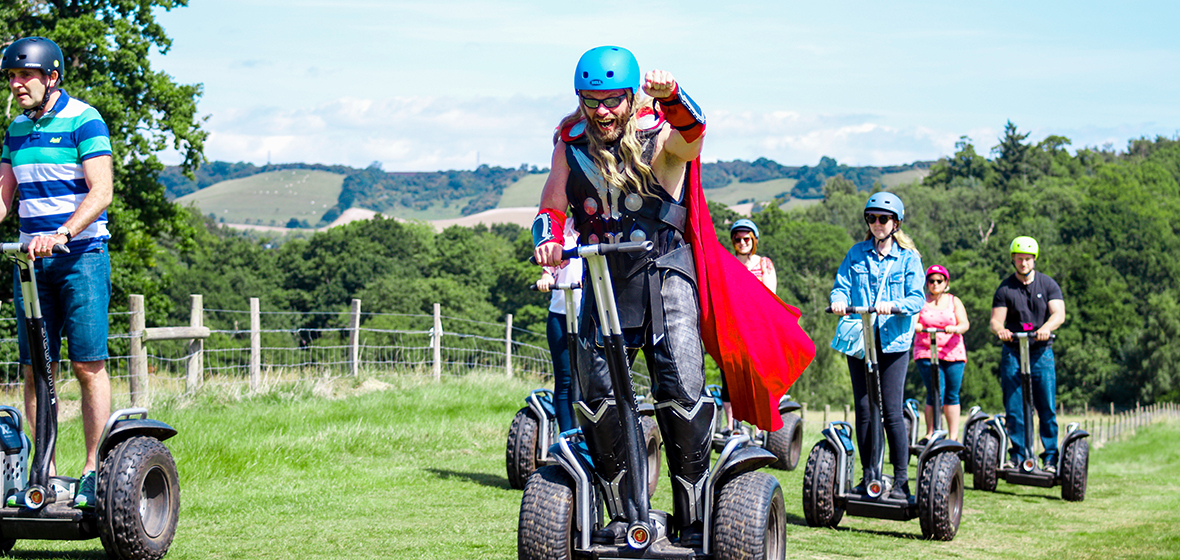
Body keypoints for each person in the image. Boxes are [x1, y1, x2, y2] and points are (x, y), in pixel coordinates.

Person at [533, 45, 713, 546]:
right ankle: (625, 517)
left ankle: (693, 518)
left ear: (632, 97)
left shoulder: (659, 134)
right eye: (592, 101)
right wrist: (546, 239)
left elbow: (695, 139)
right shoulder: (571, 143)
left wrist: (674, 95)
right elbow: (550, 207)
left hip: (663, 273)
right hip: (602, 277)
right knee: (597, 400)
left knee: (680, 392)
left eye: (614, 100)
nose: (603, 111)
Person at [0, 36, 114, 509]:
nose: (16, 84)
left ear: (51, 77)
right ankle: (42, 469)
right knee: (34, 370)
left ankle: (92, 469)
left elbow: (102, 190)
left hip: (81, 257)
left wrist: (64, 231)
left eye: (25, 75)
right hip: (31, 264)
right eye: (11, 76)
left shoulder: (85, 120)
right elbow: (5, 194)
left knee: (87, 366)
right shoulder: (15, 129)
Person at [829, 192, 924, 499]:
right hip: (862, 339)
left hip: (893, 341)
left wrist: (893, 305)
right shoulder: (856, 253)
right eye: (872, 218)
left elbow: (917, 298)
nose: (877, 223)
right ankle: (869, 476)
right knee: (865, 410)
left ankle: (899, 481)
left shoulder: (908, 258)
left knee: (892, 412)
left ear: (895, 223)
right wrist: (839, 301)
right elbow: (841, 285)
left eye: (883, 219)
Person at [989, 236, 1065, 472]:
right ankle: (1018, 454)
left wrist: (1045, 328)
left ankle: (1050, 457)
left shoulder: (1048, 284)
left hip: (1041, 351)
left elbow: (1058, 314)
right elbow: (995, 320)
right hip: (1013, 350)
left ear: (1034, 259)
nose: (1023, 263)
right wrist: (1001, 331)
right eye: (1020, 259)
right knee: (1015, 407)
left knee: (1046, 406)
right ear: (1013, 259)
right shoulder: (1005, 288)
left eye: (1028, 259)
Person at [717, 218, 776, 431]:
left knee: (757, 378)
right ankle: (733, 425)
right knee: (729, 379)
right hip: (731, 330)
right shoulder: (727, 264)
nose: (742, 243)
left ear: (754, 240)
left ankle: (759, 426)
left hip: (756, 329)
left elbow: (770, 298)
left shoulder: (764, 264)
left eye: (746, 238)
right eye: (738, 239)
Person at [534, 217, 582, 432]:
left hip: (591, 314)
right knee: (565, 379)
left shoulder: (599, 228)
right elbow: (549, 269)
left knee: (593, 379)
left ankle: (593, 440)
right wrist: (546, 278)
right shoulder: (560, 230)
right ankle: (567, 440)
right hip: (560, 314)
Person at [912, 264, 969, 442]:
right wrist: (919, 326)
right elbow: (912, 322)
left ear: (946, 283)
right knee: (935, 390)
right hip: (926, 351)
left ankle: (953, 436)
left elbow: (964, 324)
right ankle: (931, 432)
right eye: (931, 281)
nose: (935, 284)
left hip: (953, 352)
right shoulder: (920, 301)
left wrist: (955, 328)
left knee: (952, 393)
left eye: (939, 280)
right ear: (926, 283)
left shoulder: (954, 301)